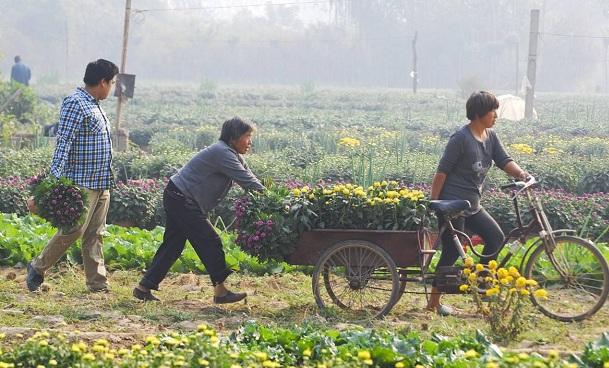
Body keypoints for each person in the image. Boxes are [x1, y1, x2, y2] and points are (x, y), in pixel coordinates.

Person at [133, 117, 265, 304]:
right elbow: (248, 182)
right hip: (181, 198)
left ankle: (143, 287)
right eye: (247, 136)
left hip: (177, 195)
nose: (250, 141)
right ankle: (220, 291)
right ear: (234, 137)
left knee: (173, 245)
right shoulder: (222, 153)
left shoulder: (232, 154)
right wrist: (269, 198)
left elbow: (250, 177)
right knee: (210, 240)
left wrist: (266, 194)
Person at [426, 91, 528, 316]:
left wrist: (522, 174)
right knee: (452, 251)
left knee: (496, 238)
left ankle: (483, 285)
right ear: (479, 113)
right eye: (492, 110)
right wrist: (435, 203)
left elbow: (504, 160)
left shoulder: (490, 136)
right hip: (453, 205)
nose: (496, 115)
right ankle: (433, 301)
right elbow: (441, 172)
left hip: (473, 204)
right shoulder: (460, 139)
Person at [26, 59, 119, 293]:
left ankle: (97, 283)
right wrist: (53, 180)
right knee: (74, 230)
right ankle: (38, 267)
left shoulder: (95, 104)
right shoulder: (75, 103)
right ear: (102, 82)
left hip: (100, 182)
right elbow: (64, 142)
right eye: (113, 82)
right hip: (81, 182)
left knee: (95, 234)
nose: (113, 87)